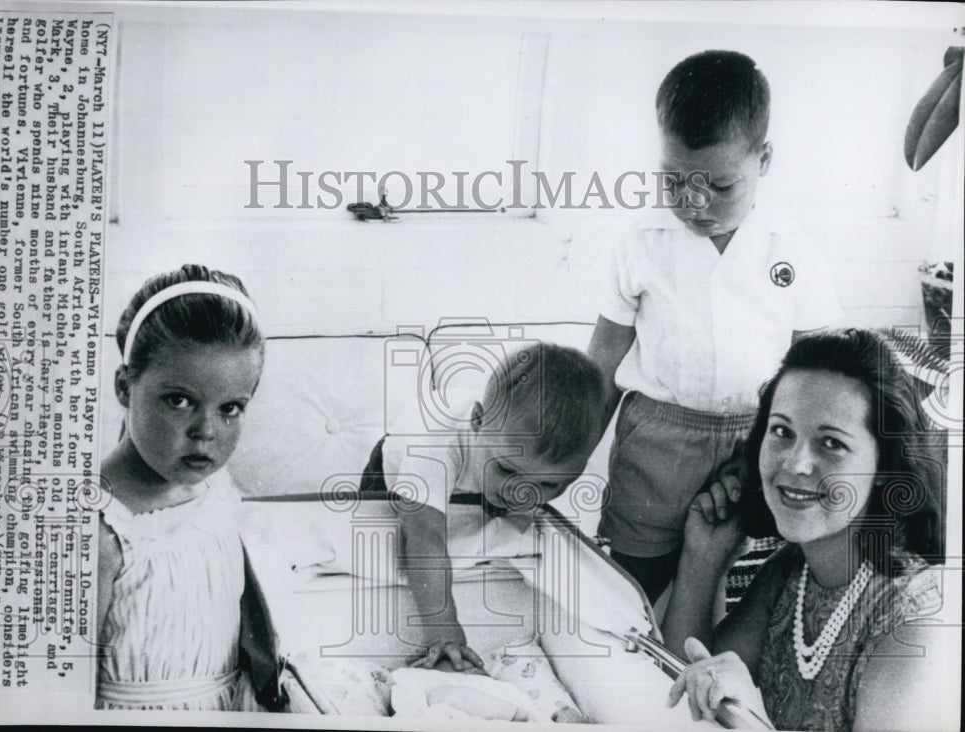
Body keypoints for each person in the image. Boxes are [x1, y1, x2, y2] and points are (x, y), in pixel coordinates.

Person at [588, 49, 843, 603]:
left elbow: (816, 370)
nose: (694, 204)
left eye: (721, 186)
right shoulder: (639, 243)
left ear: (764, 160)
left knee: (747, 585)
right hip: (654, 441)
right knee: (629, 586)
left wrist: (778, 447)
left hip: (757, 444)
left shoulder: (793, 248)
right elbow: (602, 360)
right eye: (674, 181)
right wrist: (565, 452)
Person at [662, 329, 947, 730]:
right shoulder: (794, 572)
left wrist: (751, 720)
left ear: (885, 467)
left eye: (831, 443)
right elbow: (682, 687)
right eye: (782, 431)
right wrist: (703, 560)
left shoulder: (920, 623)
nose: (796, 464)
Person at [96, 264, 286, 711]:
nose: (206, 431)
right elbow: (55, 697)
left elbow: (241, 605)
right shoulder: (100, 527)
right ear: (125, 387)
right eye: (178, 400)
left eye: (231, 408)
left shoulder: (214, 486)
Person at [360, 343, 605, 671]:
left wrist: (513, 508)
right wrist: (445, 633)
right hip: (394, 469)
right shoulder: (434, 445)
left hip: (477, 473)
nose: (522, 493)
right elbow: (425, 539)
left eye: (549, 485)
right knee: (392, 539)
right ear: (477, 421)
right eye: (508, 471)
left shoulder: (517, 455)